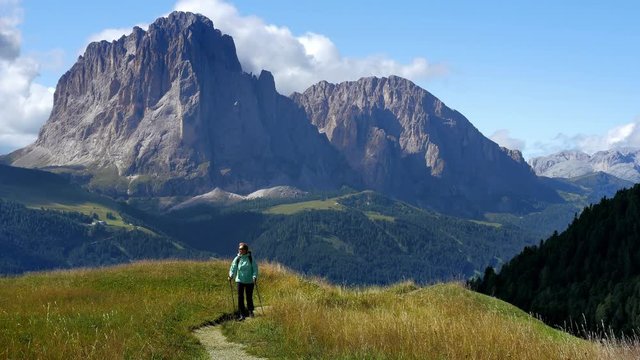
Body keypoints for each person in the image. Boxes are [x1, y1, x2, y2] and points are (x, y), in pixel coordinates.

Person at [228, 242, 258, 321]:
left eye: (241, 249)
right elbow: (233, 267)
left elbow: (255, 268)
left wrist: (254, 276)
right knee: (240, 297)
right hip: (239, 280)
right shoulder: (237, 258)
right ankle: (241, 314)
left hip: (249, 281)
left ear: (245, 250)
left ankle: (250, 311)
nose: (239, 250)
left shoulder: (250, 258)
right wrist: (231, 275)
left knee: (249, 297)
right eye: (239, 249)